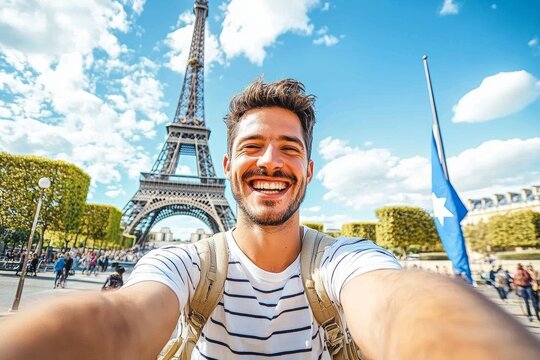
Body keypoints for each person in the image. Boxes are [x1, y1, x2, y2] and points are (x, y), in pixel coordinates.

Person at [0, 78, 539, 359]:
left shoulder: (345, 260)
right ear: (228, 163)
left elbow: (398, 303)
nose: (269, 161)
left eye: (288, 147)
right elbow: (121, 321)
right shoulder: (183, 263)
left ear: (308, 167)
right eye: (253, 146)